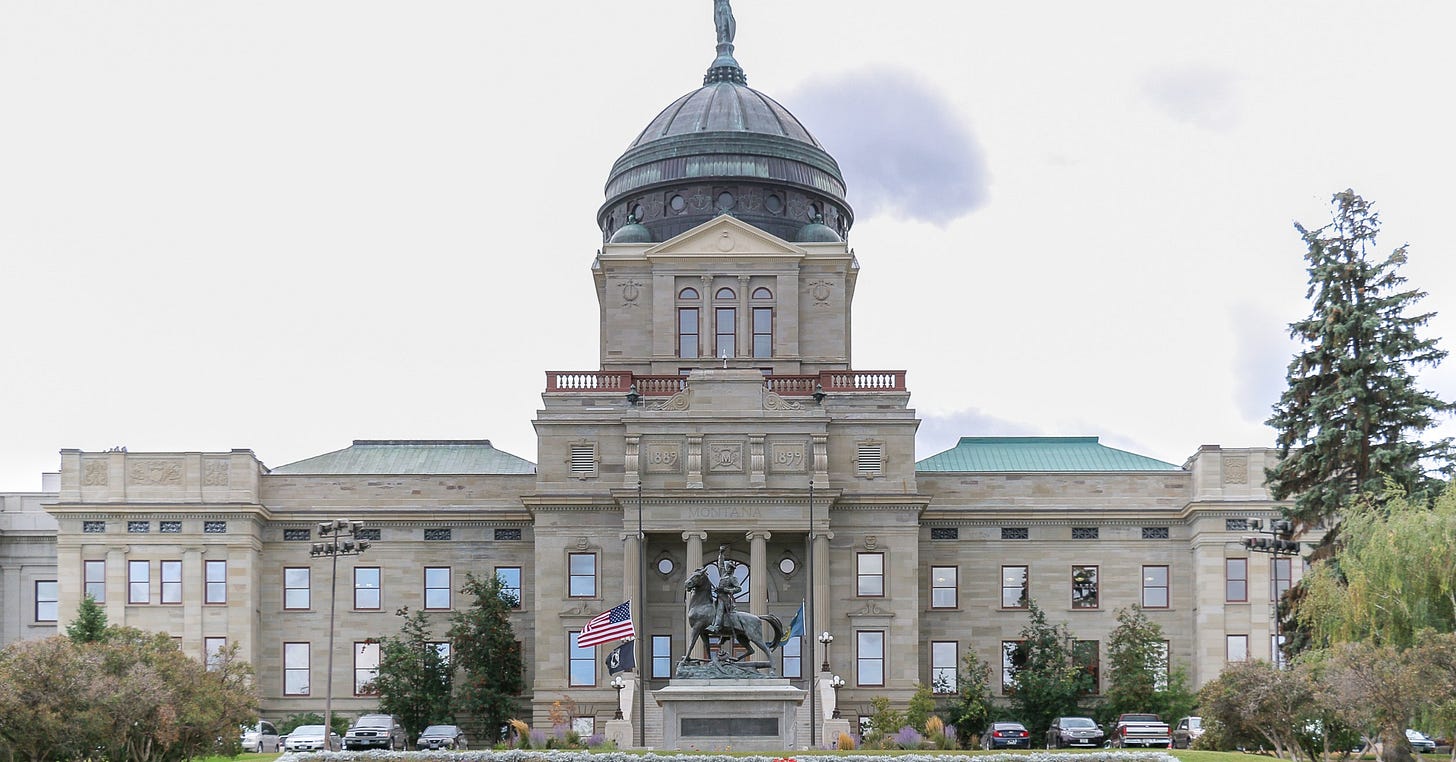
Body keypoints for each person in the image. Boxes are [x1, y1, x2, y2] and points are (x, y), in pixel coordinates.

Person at [708, 544, 741, 634]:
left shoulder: (733, 578)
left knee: (720, 609)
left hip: (726, 599)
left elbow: (739, 589)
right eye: (729, 567)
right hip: (719, 596)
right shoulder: (723, 574)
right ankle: (712, 623)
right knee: (712, 608)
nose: (729, 569)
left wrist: (727, 590)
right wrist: (721, 553)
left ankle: (717, 626)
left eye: (731, 568)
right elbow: (720, 564)